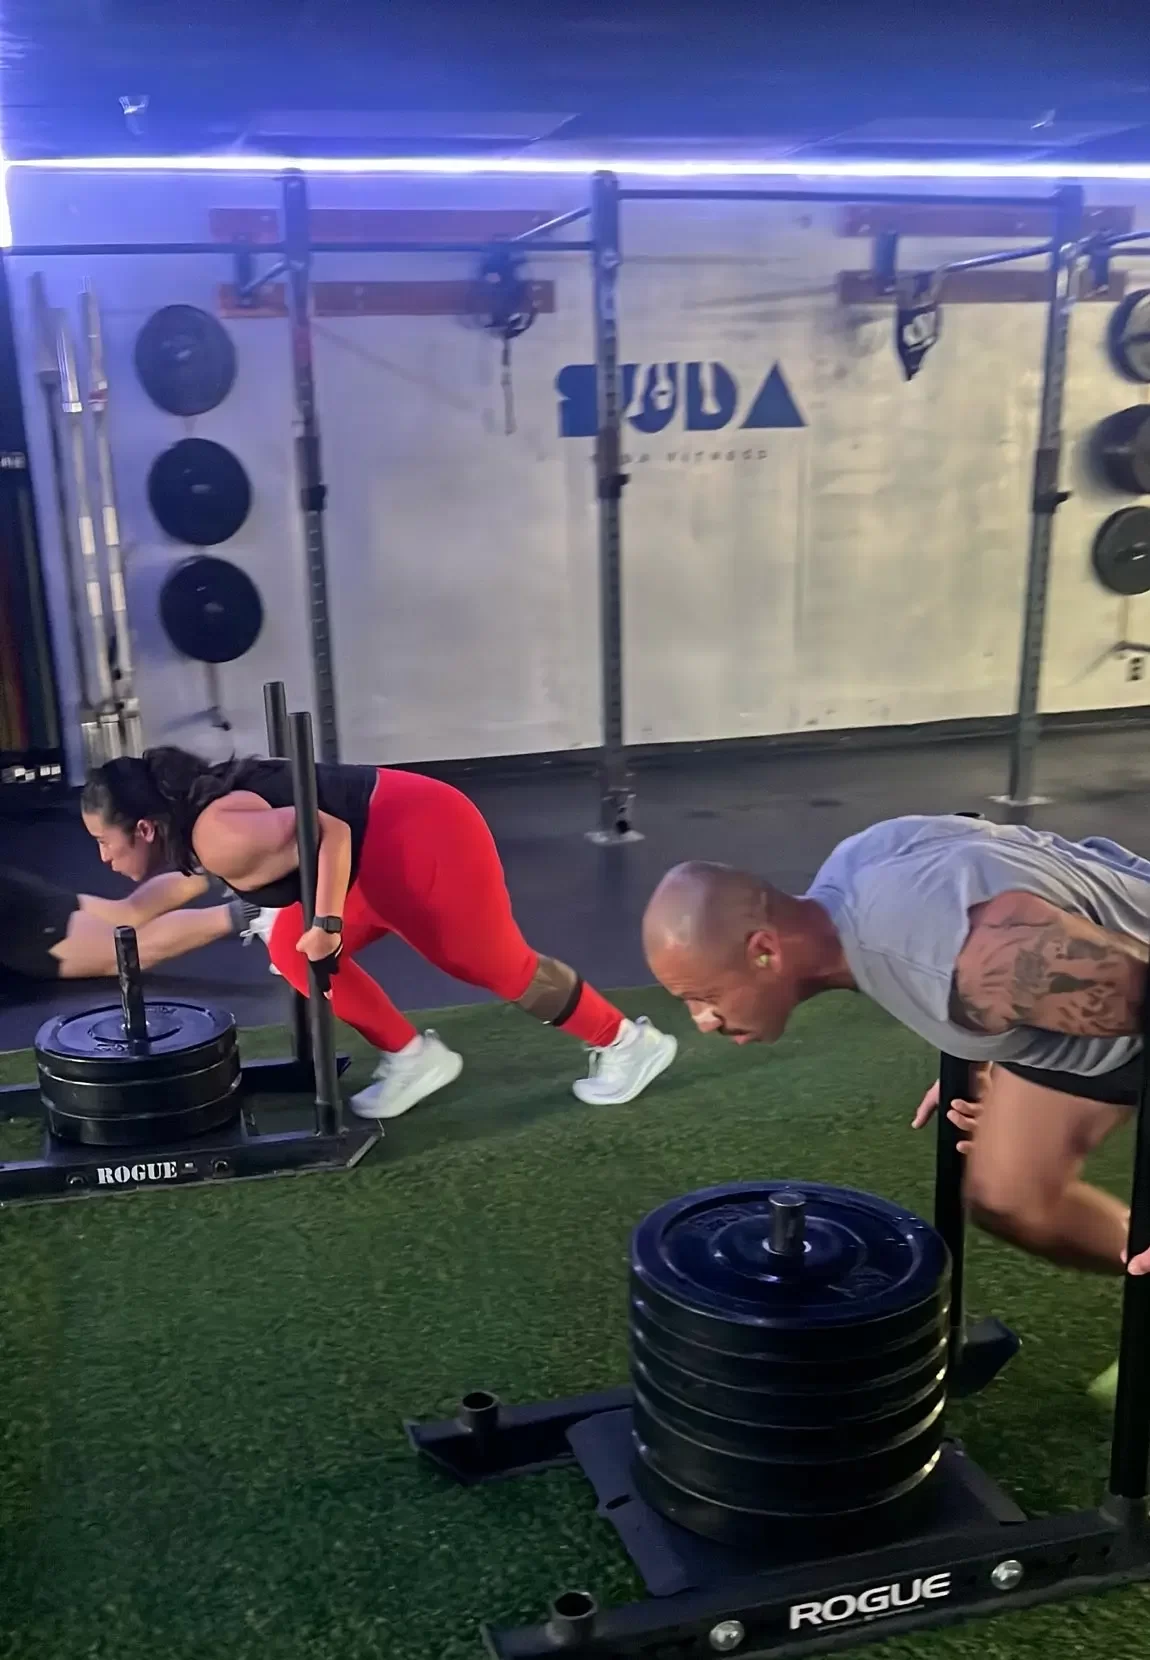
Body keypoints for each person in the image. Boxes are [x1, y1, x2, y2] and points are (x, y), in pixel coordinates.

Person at [642, 814, 1150, 1404]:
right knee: (1011, 1198)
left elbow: (995, 957)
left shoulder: (974, 963)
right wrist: (981, 1048)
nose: (705, 1022)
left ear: (763, 952)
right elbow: (986, 851)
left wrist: (996, 1004)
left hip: (1134, 990)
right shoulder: (854, 872)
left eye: (704, 998)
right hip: (1093, 998)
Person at [80, 748, 678, 1120]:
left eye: (106, 843)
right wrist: (118, 921)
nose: (103, 857)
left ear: (146, 829)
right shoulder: (192, 828)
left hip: (419, 832)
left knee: (492, 964)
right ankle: (415, 1059)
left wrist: (328, 922)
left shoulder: (220, 836)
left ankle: (628, 1043)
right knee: (291, 949)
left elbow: (329, 834)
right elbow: (162, 897)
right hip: (373, 849)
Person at [0, 861, 253, 981]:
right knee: (127, 913)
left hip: (17, 924)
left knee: (126, 951)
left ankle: (256, 909)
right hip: (14, 890)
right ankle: (235, 861)